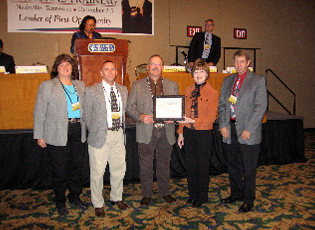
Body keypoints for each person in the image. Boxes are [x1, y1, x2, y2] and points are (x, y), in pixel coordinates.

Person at [33, 54, 87, 216]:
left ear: (73, 67)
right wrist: (39, 135)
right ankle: (60, 201)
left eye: (68, 64)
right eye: (61, 64)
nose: (65, 67)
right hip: (57, 132)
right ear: (56, 68)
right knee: (60, 171)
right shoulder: (47, 85)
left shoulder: (80, 85)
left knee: (76, 169)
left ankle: (74, 197)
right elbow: (39, 112)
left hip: (78, 130)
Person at [218, 49, 267, 213]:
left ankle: (248, 200)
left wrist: (249, 128)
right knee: (233, 165)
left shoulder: (258, 80)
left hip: (248, 131)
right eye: (236, 61)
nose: (238, 65)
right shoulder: (227, 80)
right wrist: (223, 125)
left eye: (241, 62)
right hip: (230, 129)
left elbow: (261, 107)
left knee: (248, 167)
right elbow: (223, 105)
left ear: (248, 63)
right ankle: (236, 194)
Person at [126, 54, 179, 207]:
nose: (156, 67)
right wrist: (141, 116)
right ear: (147, 67)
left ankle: (164, 192)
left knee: (164, 164)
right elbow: (130, 108)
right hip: (146, 129)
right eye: (152, 64)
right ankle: (146, 195)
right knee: (145, 164)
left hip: (166, 131)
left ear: (162, 67)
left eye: (159, 64)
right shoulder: (137, 85)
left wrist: (173, 117)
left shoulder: (172, 84)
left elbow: (177, 107)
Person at [82, 60, 129, 217]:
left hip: (118, 134)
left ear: (116, 72)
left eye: (112, 69)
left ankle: (117, 197)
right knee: (97, 172)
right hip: (100, 135)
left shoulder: (123, 90)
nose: (110, 72)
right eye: (106, 69)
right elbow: (86, 116)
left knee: (118, 169)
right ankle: (97, 202)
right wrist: (95, 130)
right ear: (101, 73)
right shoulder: (91, 91)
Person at [177, 59, 219, 207]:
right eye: (196, 71)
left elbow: (211, 118)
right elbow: (184, 114)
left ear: (207, 74)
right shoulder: (188, 90)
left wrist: (194, 121)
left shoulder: (213, 93)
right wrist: (181, 133)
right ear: (192, 73)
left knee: (202, 166)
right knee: (192, 166)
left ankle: (202, 197)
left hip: (203, 134)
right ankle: (193, 194)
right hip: (189, 133)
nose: (199, 74)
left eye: (202, 71)